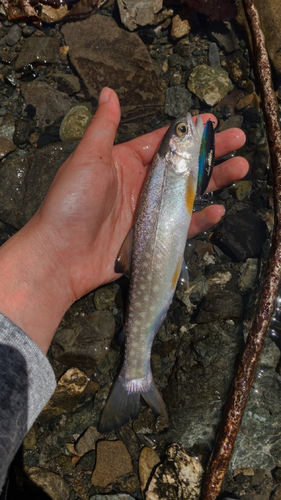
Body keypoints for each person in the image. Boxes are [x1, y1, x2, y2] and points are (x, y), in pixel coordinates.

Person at [0, 87, 249, 492]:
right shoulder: (175, 167)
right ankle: (137, 374)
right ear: (175, 153)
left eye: (182, 130)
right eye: (184, 132)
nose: (189, 130)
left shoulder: (176, 167)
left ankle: (137, 374)